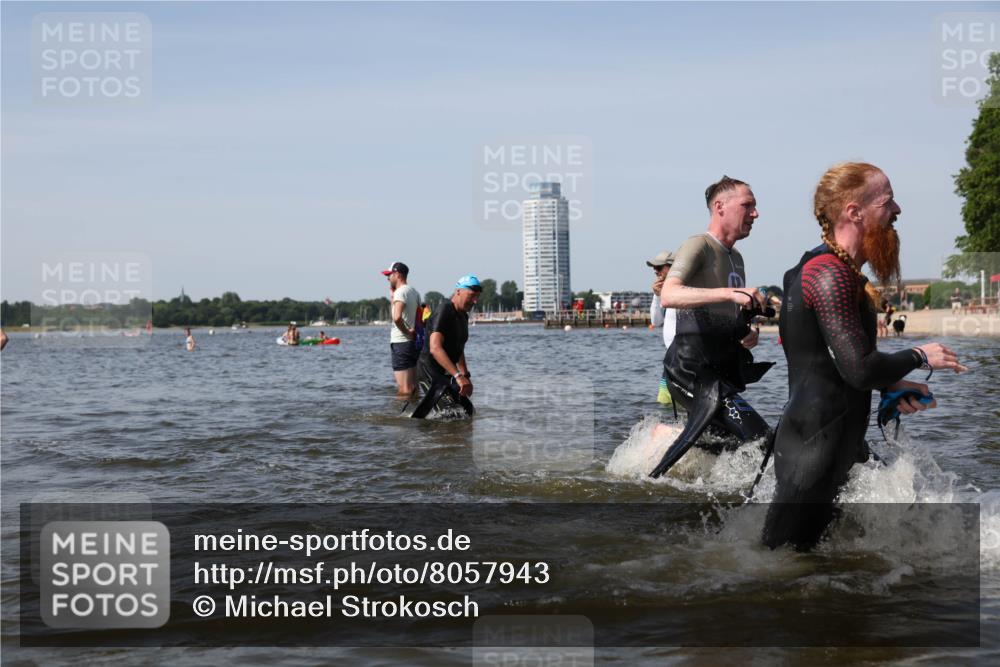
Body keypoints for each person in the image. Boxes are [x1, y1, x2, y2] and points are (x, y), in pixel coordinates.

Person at [762, 162, 964, 551]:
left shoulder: (827, 270)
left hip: (837, 443)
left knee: (824, 569)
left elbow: (825, 357)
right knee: (781, 571)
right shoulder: (827, 273)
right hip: (814, 451)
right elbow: (858, 368)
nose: (898, 211)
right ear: (854, 212)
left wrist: (890, 383)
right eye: (887, 202)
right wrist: (919, 354)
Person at [649, 176, 772, 478]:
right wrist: (728, 293)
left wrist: (747, 332)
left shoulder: (737, 258)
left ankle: (665, 440)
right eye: (748, 205)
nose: (755, 213)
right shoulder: (698, 245)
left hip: (718, 374)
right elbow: (669, 295)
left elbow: (723, 314)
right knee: (762, 442)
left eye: (755, 207)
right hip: (690, 373)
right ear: (720, 206)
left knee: (737, 446)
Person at [408, 275, 481, 418]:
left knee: (468, 412)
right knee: (451, 413)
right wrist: (458, 376)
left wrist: (466, 375)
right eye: (472, 296)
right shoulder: (445, 310)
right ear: (458, 291)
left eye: (477, 297)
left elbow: (458, 348)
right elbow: (435, 348)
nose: (475, 301)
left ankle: (455, 439)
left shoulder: (463, 316)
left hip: (446, 372)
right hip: (429, 371)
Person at [382, 261, 421, 397]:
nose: (388, 279)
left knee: (404, 389)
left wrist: (406, 332)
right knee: (414, 386)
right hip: (413, 345)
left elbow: (397, 317)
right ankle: (416, 412)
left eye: (389, 275)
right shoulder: (413, 292)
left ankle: (401, 417)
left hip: (401, 342)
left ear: (397, 274)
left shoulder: (400, 293)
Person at [647, 250, 677, 406]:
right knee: (664, 403)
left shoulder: (683, 288)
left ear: (672, 267)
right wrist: (657, 296)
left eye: (659, 267)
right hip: (671, 359)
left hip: (687, 357)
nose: (655, 271)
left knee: (685, 404)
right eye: (654, 268)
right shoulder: (660, 290)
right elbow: (656, 321)